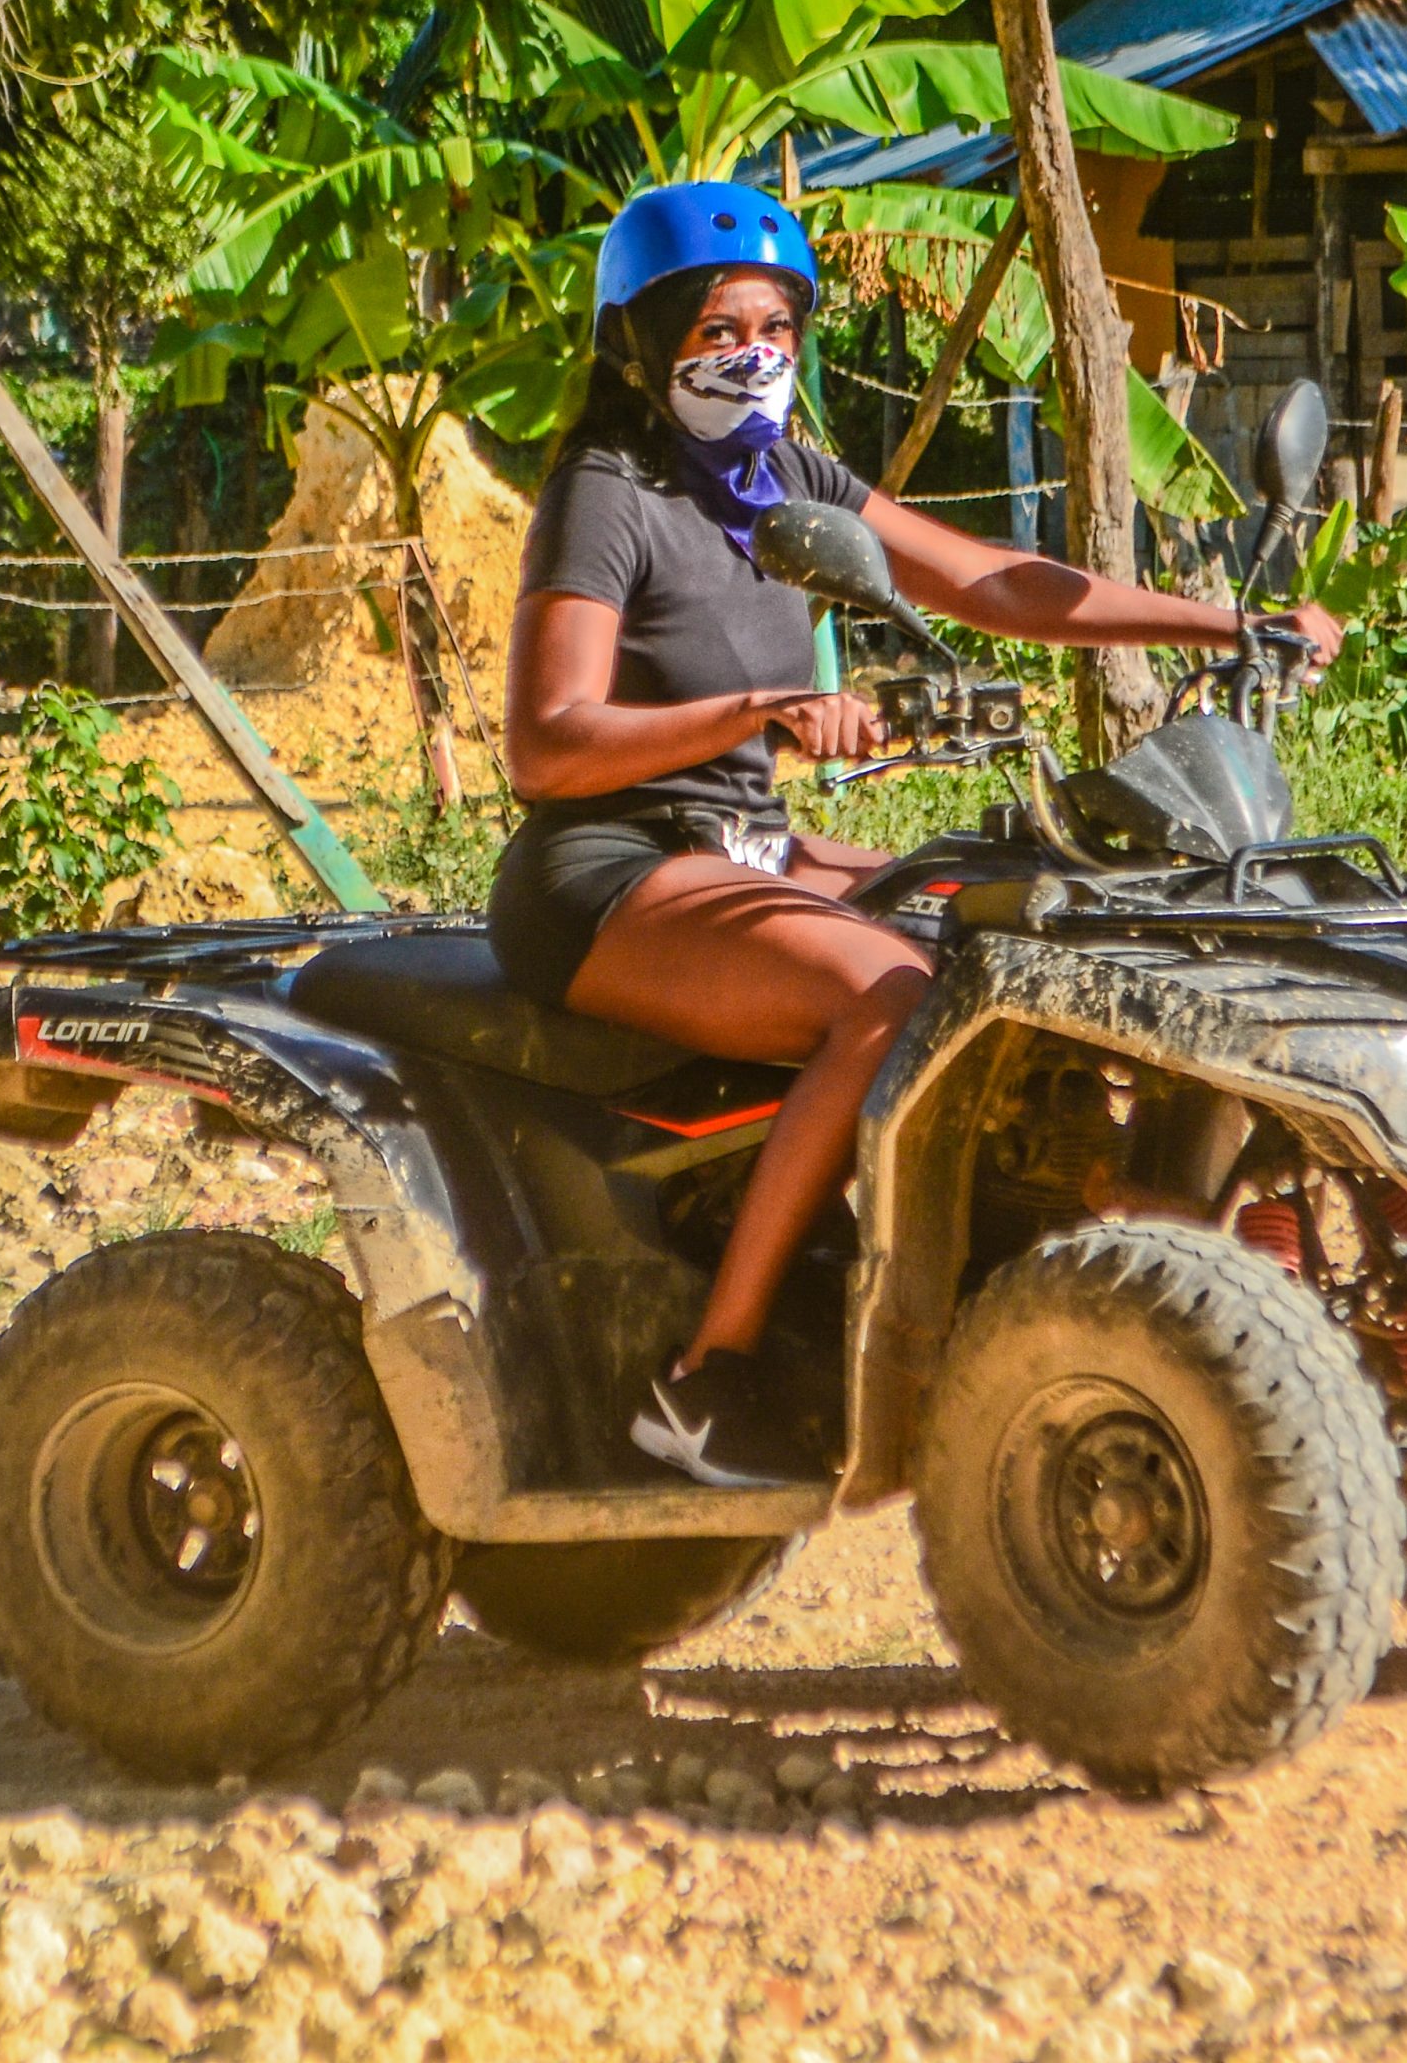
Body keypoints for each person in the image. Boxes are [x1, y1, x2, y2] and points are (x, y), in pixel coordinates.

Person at [491, 181, 1341, 1486]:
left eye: (778, 325)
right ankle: (709, 1378)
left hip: (752, 853)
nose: (754, 353)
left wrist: (1223, 625)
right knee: (889, 999)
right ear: (642, 341)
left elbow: (990, 583)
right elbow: (548, 741)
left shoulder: (785, 475)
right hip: (610, 868)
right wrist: (762, 712)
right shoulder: (611, 492)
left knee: (1034, 914)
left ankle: (1080, 1254)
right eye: (719, 327)